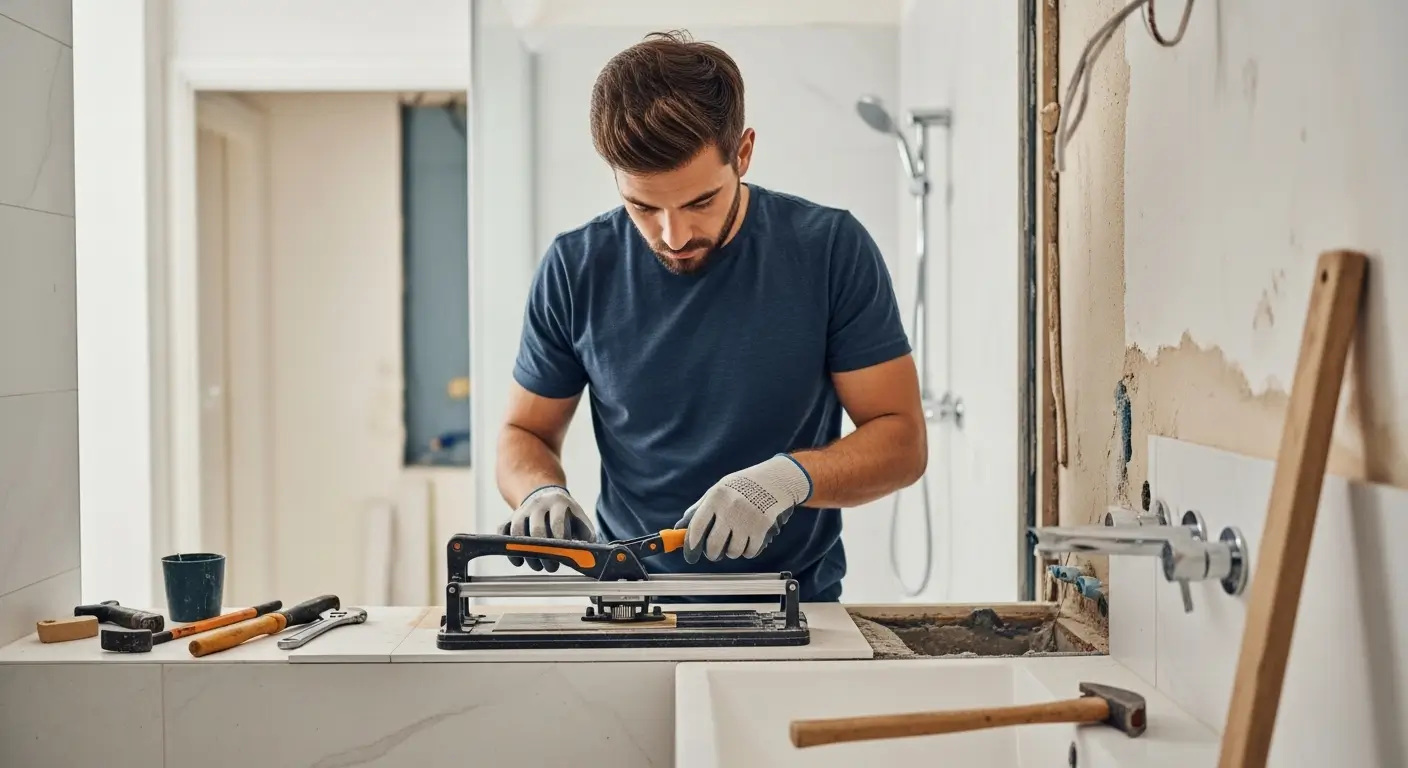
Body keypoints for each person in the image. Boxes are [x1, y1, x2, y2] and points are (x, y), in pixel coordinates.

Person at [494, 30, 927, 602]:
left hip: (794, 601)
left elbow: (902, 442)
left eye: (700, 202)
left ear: (742, 153)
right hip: (629, 598)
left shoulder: (829, 250)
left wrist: (788, 479)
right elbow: (524, 432)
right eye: (643, 207)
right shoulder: (576, 267)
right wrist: (536, 492)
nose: (673, 236)